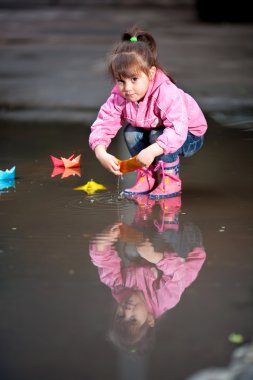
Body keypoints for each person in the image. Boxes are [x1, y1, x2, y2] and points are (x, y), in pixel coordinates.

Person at [89, 26, 207, 199]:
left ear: (151, 73)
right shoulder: (119, 97)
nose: (127, 88)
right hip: (155, 132)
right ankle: (147, 176)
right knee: (131, 132)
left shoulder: (167, 93)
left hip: (188, 136)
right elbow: (104, 122)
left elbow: (176, 130)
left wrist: (152, 151)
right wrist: (100, 152)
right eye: (121, 81)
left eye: (134, 79)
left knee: (158, 134)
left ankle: (170, 180)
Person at [89, 221, 206, 354]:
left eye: (120, 316)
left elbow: (104, 262)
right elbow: (178, 271)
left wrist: (103, 241)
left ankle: (144, 216)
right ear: (149, 319)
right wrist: (155, 257)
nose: (127, 311)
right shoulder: (164, 299)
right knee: (161, 244)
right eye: (133, 319)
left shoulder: (119, 288)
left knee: (132, 250)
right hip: (188, 249)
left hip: (155, 250)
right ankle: (169, 220)